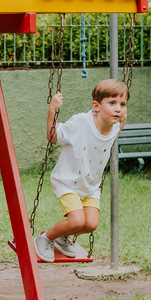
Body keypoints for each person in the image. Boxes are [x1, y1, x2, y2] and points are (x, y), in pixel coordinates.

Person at [33, 79, 129, 261]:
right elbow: (52, 136)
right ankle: (44, 238)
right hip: (68, 181)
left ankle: (62, 237)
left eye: (122, 104)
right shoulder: (80, 122)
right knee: (77, 221)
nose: (118, 109)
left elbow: (115, 130)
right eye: (112, 103)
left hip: (90, 185)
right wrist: (52, 110)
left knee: (91, 224)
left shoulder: (115, 126)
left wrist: (122, 120)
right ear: (96, 106)